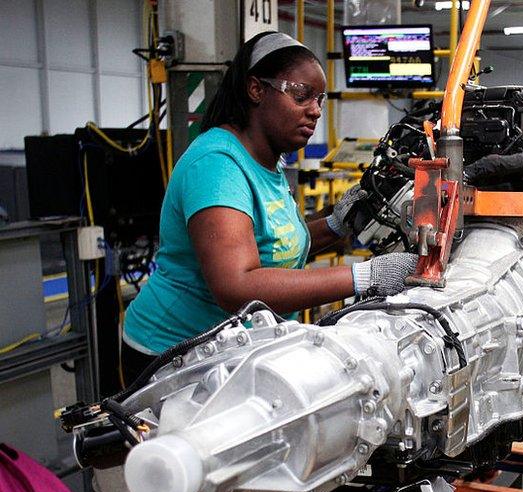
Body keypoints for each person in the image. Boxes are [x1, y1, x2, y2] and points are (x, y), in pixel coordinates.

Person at [121, 32, 416, 383]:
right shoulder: (217, 164)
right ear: (256, 89)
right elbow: (237, 286)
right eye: (301, 94)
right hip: (174, 358)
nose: (315, 110)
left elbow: (271, 249)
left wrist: (337, 225)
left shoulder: (268, 162)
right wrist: (365, 277)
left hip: (240, 349)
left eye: (319, 99)